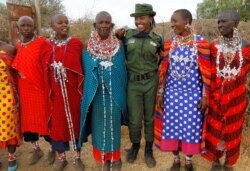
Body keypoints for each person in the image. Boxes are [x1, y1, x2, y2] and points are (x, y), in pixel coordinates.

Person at [154, 9, 211, 171]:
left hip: (193, 96)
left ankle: (188, 160)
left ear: (186, 21)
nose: (172, 24)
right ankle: (175, 159)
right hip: (172, 94)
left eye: (175, 21)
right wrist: (161, 92)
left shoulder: (201, 43)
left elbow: (206, 74)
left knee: (190, 128)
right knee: (171, 127)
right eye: (171, 21)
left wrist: (204, 96)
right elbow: (164, 70)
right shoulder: (169, 43)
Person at [78, 11, 127, 171]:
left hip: (114, 93)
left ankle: (116, 159)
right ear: (95, 25)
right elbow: (86, 70)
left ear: (111, 25)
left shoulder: (118, 46)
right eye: (101, 22)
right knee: (98, 126)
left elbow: (121, 71)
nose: (104, 25)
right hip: (96, 94)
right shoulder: (86, 46)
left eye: (107, 22)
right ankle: (104, 160)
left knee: (113, 126)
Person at [115, 3, 162, 168]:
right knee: (134, 119)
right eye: (136, 19)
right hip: (133, 83)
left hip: (151, 82)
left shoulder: (157, 39)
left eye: (142, 18)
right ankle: (135, 146)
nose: (138, 22)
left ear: (150, 18)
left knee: (149, 118)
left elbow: (163, 59)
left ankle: (148, 149)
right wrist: (117, 36)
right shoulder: (127, 36)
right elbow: (117, 50)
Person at [202, 11, 250, 171]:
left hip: (237, 96)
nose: (219, 25)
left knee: (233, 129)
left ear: (235, 24)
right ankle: (215, 160)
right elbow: (207, 71)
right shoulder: (214, 45)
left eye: (224, 22)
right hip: (216, 96)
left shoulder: (246, 45)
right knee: (215, 128)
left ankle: (229, 162)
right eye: (218, 22)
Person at [40, 14, 84, 171]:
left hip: (73, 93)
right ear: (52, 26)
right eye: (60, 22)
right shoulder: (46, 46)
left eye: (66, 22)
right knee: (58, 126)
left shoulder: (76, 43)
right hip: (55, 95)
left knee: (75, 123)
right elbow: (43, 69)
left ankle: (77, 157)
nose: (64, 24)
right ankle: (61, 158)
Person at [12, 16, 53, 165]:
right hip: (24, 90)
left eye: (29, 25)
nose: (26, 28)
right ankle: (36, 149)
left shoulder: (42, 42)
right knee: (28, 121)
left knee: (45, 118)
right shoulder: (17, 45)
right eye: (23, 25)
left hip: (40, 88)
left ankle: (51, 149)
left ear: (34, 27)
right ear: (18, 28)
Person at [0, 40, 20, 171]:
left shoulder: (9, 49)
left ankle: (11, 157)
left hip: (6, 96)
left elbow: (17, 71)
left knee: (9, 127)